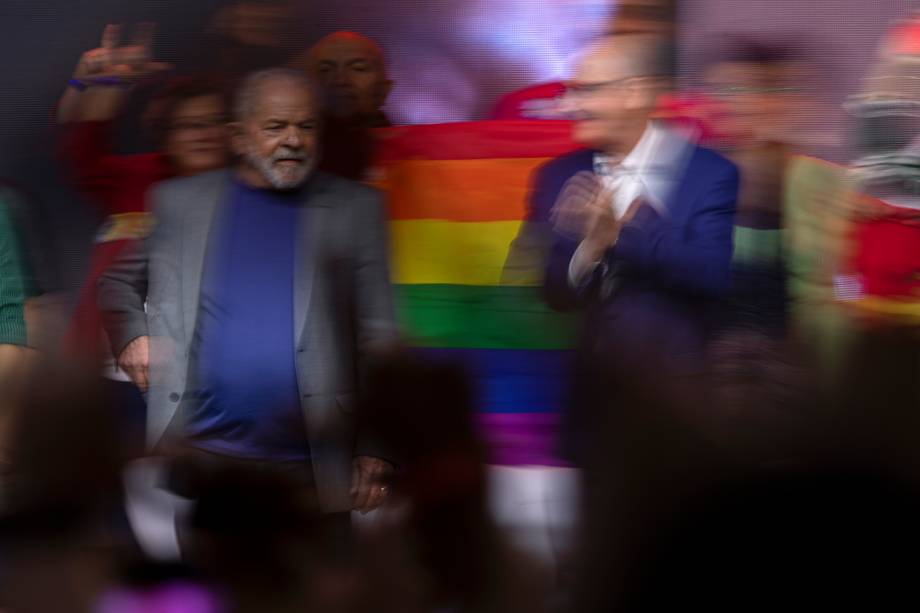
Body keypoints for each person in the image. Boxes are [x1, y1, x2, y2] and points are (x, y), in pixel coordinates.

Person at [98, 68, 398, 521]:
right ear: (238, 137)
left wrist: (376, 446)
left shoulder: (355, 208)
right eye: (276, 126)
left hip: (314, 463)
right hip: (202, 457)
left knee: (318, 591)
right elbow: (118, 282)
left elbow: (380, 335)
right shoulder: (182, 203)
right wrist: (132, 338)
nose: (294, 140)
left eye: (306, 126)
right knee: (212, 589)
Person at [58, 24, 230, 368]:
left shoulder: (248, 194)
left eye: (215, 122)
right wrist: (105, 81)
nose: (204, 134)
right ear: (165, 135)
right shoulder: (138, 178)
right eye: (189, 125)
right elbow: (79, 149)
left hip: (200, 370)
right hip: (103, 361)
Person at [290, 31, 393, 179]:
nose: (340, 80)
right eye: (325, 70)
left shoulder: (415, 155)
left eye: (358, 68)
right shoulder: (286, 154)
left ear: (384, 89)